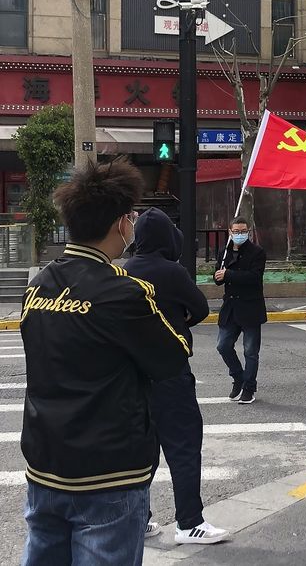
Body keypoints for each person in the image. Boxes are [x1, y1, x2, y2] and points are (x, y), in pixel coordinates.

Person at [20, 159, 190, 566]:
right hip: (108, 470)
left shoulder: (38, 285)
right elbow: (171, 359)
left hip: (45, 463)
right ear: (120, 224)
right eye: (131, 216)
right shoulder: (125, 292)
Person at [124, 208, 229, 545]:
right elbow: (200, 308)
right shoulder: (172, 271)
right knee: (183, 447)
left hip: (131, 377)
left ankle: (138, 521)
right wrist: (177, 322)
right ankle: (189, 522)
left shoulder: (120, 270)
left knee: (142, 452)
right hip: (169, 373)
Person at [214, 217, 267, 405]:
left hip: (250, 308)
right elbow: (218, 278)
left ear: (249, 232)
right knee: (223, 345)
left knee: (250, 351)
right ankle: (239, 377)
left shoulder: (257, 252)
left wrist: (229, 274)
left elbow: (254, 277)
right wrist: (219, 275)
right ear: (230, 232)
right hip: (230, 308)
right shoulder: (224, 252)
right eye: (236, 231)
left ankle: (249, 387)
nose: (239, 234)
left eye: (243, 231)